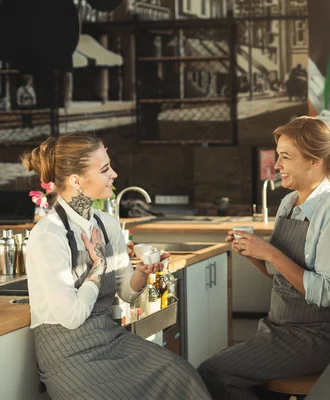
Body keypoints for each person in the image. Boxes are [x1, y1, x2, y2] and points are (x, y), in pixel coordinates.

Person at [21, 133, 211, 400]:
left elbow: (126, 292)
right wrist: (98, 266)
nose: (114, 174)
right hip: (69, 358)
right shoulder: (49, 235)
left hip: (112, 341)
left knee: (182, 375)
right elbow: (72, 317)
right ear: (76, 181)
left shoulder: (107, 224)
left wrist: (141, 275)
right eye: (105, 169)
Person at [198, 116, 330, 399]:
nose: (276, 166)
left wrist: (269, 251)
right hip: (279, 328)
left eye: (285, 157)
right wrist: (252, 253)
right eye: (278, 156)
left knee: (214, 372)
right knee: (224, 373)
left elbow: (323, 293)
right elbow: (278, 273)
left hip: (318, 336)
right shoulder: (289, 202)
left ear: (314, 160)